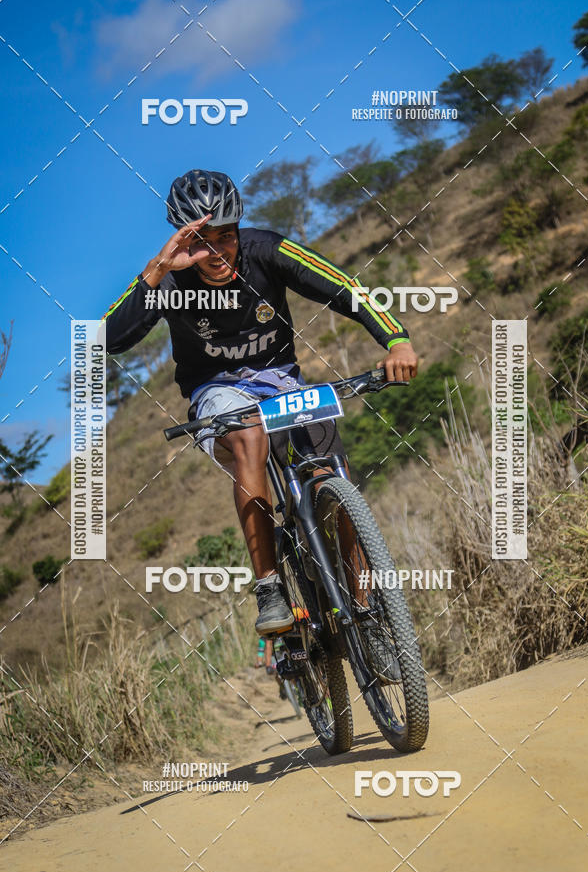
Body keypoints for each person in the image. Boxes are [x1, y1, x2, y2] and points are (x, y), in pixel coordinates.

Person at [102, 169, 417, 636]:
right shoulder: (168, 277)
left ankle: (366, 606)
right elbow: (108, 338)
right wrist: (158, 269)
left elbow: (343, 287)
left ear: (238, 229)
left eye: (225, 237)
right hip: (216, 390)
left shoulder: (267, 249)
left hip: (282, 381)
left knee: (331, 470)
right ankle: (268, 586)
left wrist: (396, 340)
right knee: (249, 434)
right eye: (200, 241)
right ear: (181, 239)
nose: (216, 252)